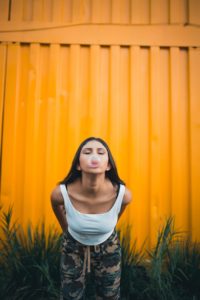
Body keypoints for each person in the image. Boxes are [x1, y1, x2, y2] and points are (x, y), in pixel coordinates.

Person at [51, 137, 132, 300]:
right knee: (70, 297)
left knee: (109, 296)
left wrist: (106, 226)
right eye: (87, 152)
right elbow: (55, 205)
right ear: (78, 165)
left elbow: (116, 216)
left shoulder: (123, 195)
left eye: (101, 152)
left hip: (109, 247)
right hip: (72, 247)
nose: (94, 156)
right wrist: (66, 228)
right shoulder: (61, 193)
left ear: (108, 165)